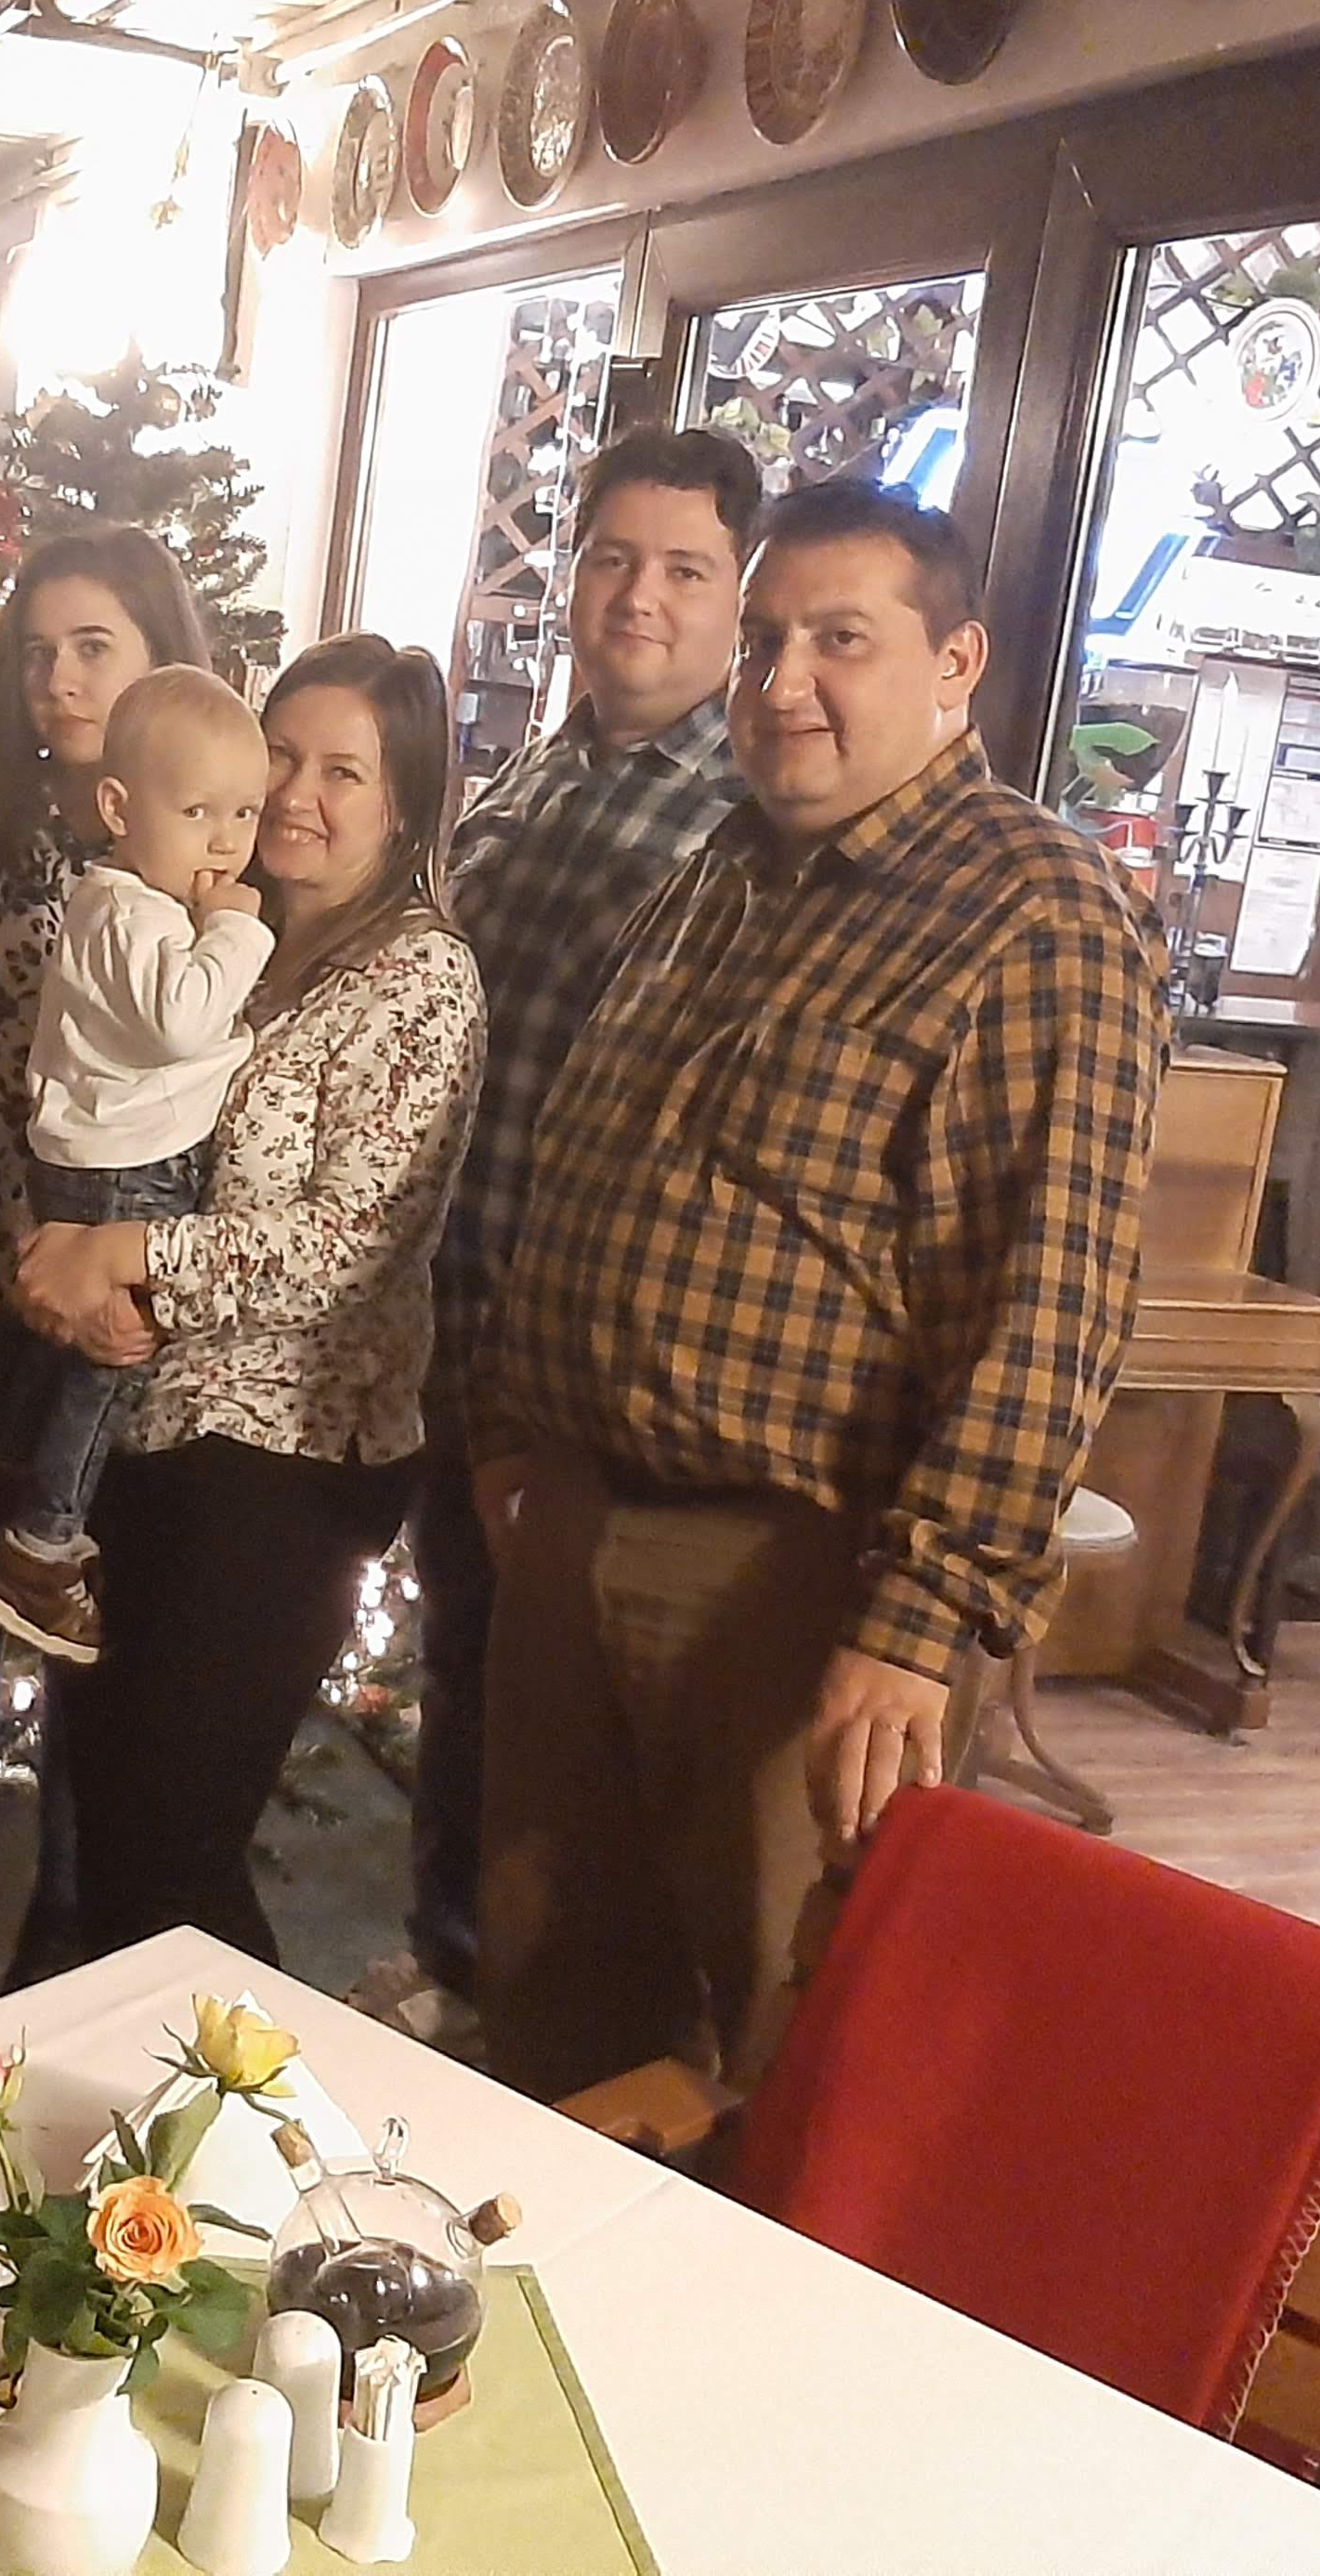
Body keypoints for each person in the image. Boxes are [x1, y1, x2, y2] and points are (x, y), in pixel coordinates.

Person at [468, 479, 1170, 2107]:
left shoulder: (1035, 913)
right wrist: (509, 1431)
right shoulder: (719, 866)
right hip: (579, 1525)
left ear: (955, 664)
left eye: (840, 640)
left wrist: (915, 1627)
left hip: (794, 1581)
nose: (784, 684)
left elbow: (1043, 1315)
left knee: (794, 2054)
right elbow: (588, 1156)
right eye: (765, 642)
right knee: (553, 2013)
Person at [13, 637, 484, 1966]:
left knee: (168, 1855)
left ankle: (246, 2090)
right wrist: (66, 1256)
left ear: (404, 804)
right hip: (149, 1429)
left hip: (284, 1462)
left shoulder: (418, 978)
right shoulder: (224, 929)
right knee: (118, 1833)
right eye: (281, 755)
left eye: (345, 771)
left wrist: (130, 1258)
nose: (296, 794)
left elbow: (350, 1246)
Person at [399, 427, 757, 2015]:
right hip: (441, 1327)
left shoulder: (746, 817)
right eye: (612, 557)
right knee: (463, 1674)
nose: (637, 596)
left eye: (683, 568)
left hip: (572, 1368)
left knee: (559, 1744)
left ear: (736, 600)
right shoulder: (534, 776)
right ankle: (449, 1977)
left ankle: (531, 2032)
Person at [0, 524, 211, 2032]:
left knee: (74, 1617)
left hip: (103, 1296)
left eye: (95, 647)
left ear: (162, 661)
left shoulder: (203, 847)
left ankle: (59, 1928)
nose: (60, 678)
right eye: (38, 650)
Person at [0, 666, 272, 1660]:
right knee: (112, 1363)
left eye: (244, 812)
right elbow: (182, 1020)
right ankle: (42, 1547)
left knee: (60, 1354)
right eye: (198, 811)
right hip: (130, 1169)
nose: (225, 840)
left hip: (99, 1159)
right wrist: (239, 929)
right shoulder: (132, 913)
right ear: (121, 809)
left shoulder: (126, 902)